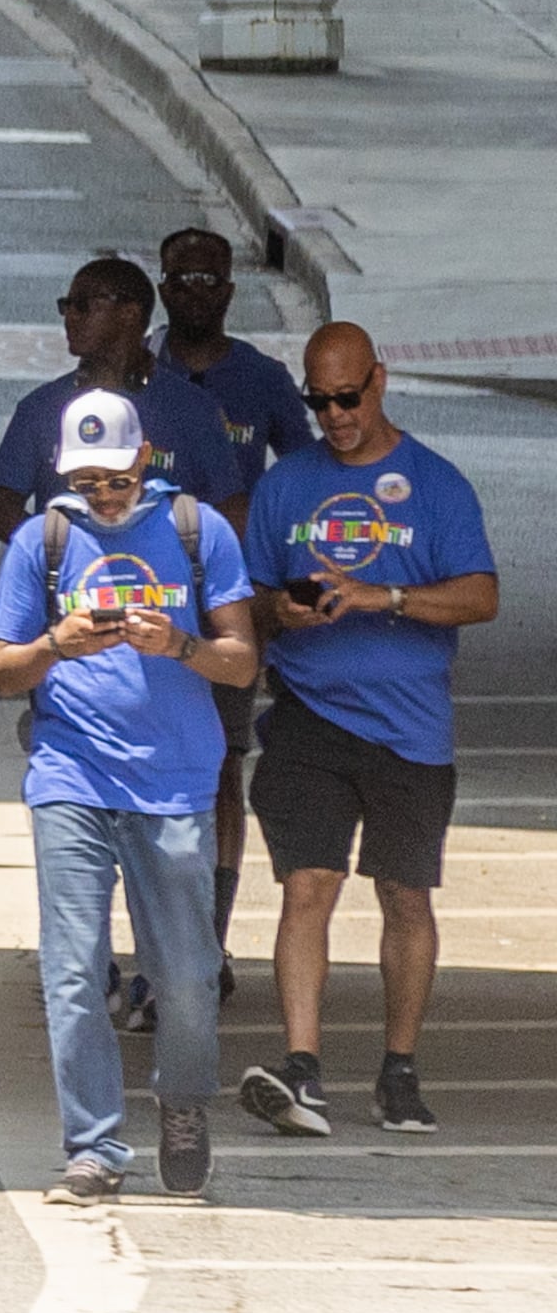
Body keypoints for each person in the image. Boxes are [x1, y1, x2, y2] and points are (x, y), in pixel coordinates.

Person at [0, 391, 261, 1204]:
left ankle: (182, 1105)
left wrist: (178, 643)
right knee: (71, 972)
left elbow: (241, 661)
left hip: (174, 782)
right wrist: (52, 645)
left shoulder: (196, 530)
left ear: (144, 461)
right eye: (84, 481)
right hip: (71, 774)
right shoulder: (44, 540)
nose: (101, 495)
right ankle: (95, 1148)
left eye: (113, 479)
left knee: (183, 976)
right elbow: (3, 670)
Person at [233, 324, 497, 1142]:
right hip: (310, 716)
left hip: (411, 730)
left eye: (348, 397)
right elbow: (244, 605)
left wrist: (383, 597)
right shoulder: (288, 487)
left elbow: (482, 595)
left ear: (379, 381)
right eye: (319, 401)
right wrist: (281, 610)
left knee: (404, 896)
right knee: (308, 886)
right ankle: (302, 1067)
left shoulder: (435, 483)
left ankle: (399, 1068)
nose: (335, 415)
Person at [0, 257, 246, 541]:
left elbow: (233, 508)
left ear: (129, 313)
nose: (70, 316)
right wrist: (56, 552)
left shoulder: (192, 408)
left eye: (82, 305)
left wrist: (183, 557)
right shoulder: (41, 408)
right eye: (66, 306)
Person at [158, 229, 311, 491]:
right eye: (182, 280)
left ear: (228, 291)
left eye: (209, 279)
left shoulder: (265, 378)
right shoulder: (135, 369)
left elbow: (307, 470)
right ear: (163, 291)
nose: (196, 291)